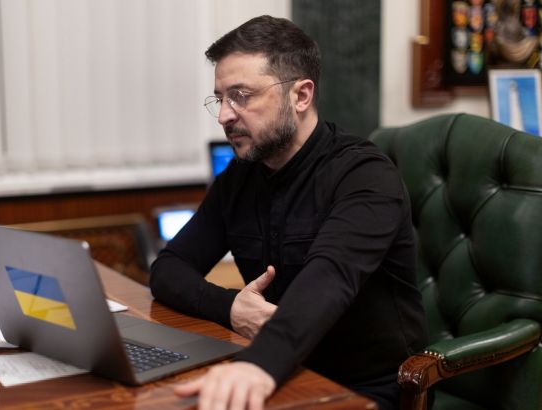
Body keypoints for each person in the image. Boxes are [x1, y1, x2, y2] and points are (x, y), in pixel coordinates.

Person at [149, 15, 428, 410]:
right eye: (220, 98)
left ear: (301, 96)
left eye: (241, 96)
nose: (225, 115)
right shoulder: (239, 178)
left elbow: (328, 280)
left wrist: (257, 365)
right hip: (283, 370)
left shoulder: (366, 175)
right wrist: (230, 307)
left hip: (367, 388)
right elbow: (168, 268)